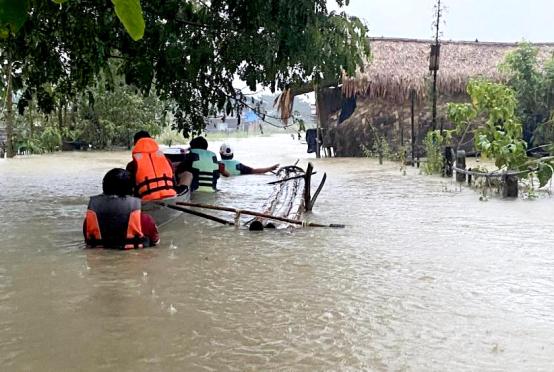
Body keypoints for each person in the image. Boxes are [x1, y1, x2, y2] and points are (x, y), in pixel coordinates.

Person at [83, 168, 160, 249]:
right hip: (134, 259)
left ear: (104, 189)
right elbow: (156, 242)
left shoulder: (88, 221)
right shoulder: (145, 220)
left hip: (99, 259)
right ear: (132, 190)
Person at [126, 131, 177, 201]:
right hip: (171, 196)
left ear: (136, 145)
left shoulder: (131, 165)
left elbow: (129, 189)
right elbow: (174, 182)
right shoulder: (166, 160)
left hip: (147, 200)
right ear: (151, 142)